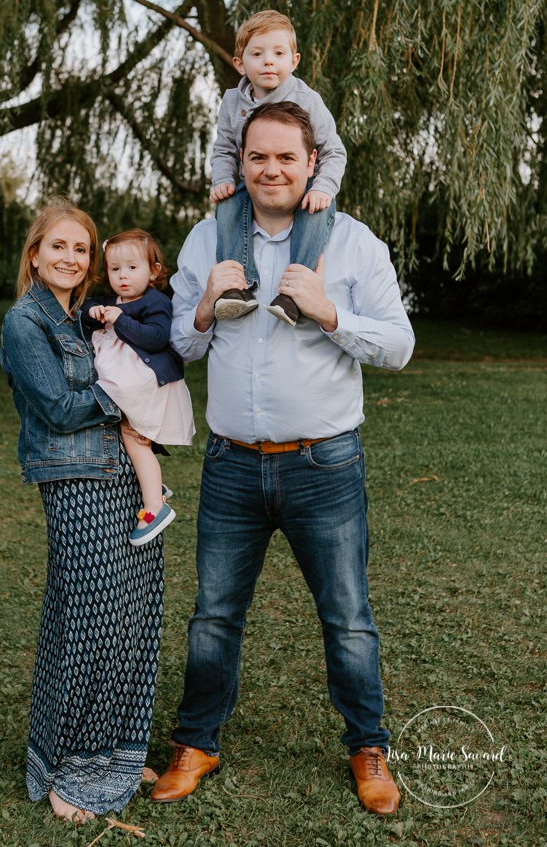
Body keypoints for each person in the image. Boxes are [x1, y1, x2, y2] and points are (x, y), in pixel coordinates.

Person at [151, 102, 415, 816]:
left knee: (347, 616)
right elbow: (180, 344)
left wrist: (328, 312)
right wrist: (204, 305)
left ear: (310, 164)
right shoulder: (207, 239)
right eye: (258, 157)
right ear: (241, 162)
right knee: (213, 615)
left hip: (323, 465)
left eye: (285, 158)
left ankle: (367, 744)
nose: (271, 170)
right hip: (231, 465)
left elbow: (398, 346)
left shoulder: (352, 244)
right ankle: (196, 742)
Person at [0, 201, 164, 824]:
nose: (70, 259)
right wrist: (129, 396)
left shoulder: (85, 320)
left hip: (120, 477)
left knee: (130, 615)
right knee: (89, 619)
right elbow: (61, 409)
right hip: (75, 483)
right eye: (58, 247)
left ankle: (117, 752)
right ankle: (74, 763)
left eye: (80, 249)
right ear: (35, 254)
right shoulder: (26, 322)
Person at [210, 9, 347, 326]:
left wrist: (324, 187)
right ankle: (239, 287)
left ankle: (295, 292)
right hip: (253, 180)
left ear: (294, 60)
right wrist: (222, 180)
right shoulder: (233, 101)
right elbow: (224, 148)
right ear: (240, 64)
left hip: (304, 184)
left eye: (278, 53)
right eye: (257, 54)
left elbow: (333, 149)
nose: (268, 61)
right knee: (228, 207)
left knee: (315, 213)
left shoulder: (307, 99)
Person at [82, 228, 195, 546]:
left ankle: (155, 508)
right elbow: (86, 311)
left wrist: (120, 320)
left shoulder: (156, 301)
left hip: (145, 380)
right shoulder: (111, 301)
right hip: (129, 380)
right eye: (115, 269)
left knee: (135, 440)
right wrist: (92, 313)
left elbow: (157, 338)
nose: (123, 276)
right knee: (128, 435)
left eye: (132, 268)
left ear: (154, 271)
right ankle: (152, 485)